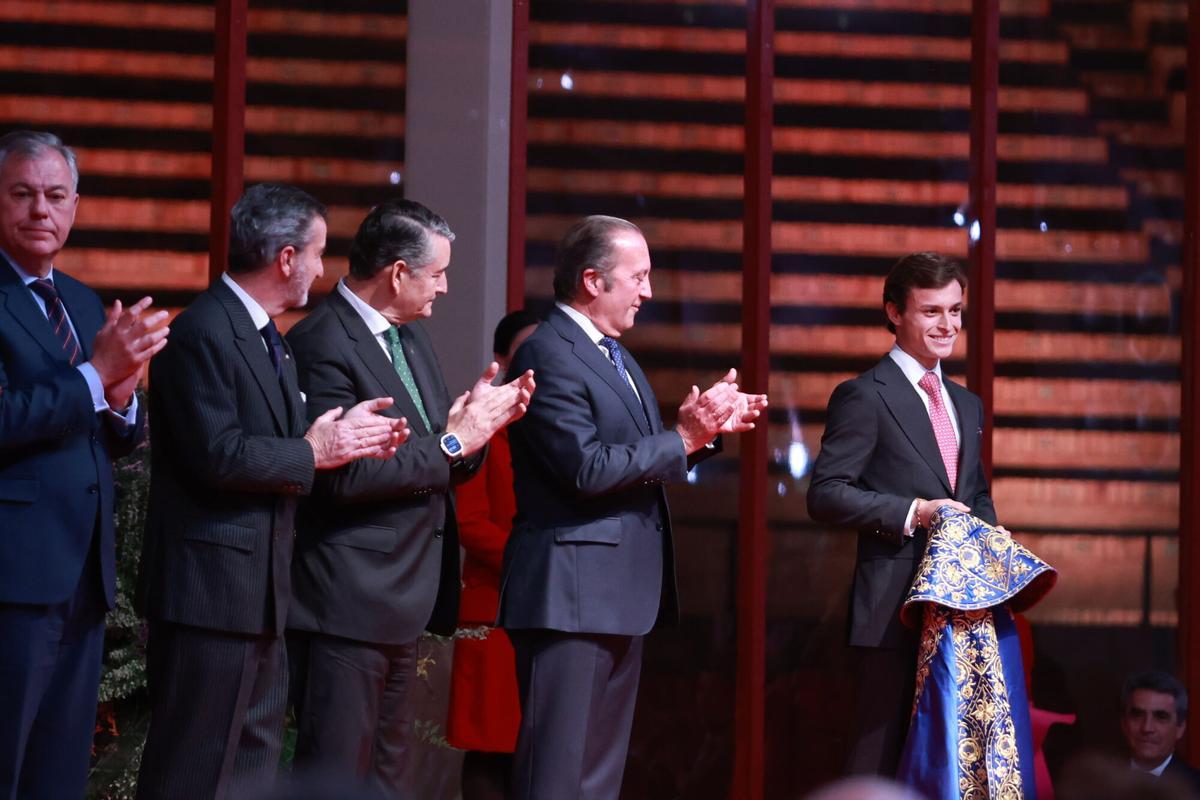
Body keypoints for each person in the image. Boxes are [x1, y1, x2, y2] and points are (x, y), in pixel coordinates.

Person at [135, 183, 408, 800]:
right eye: (316, 253)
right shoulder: (204, 331)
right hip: (207, 595)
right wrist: (314, 450)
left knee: (250, 770)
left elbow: (285, 444)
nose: (320, 268)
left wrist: (339, 435)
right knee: (194, 769)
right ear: (286, 258)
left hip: (262, 595)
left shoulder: (269, 338)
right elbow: (218, 454)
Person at [497, 215, 766, 799]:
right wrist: (685, 439)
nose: (648, 292)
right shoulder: (550, 353)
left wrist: (702, 435)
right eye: (638, 277)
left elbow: (635, 458)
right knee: (557, 777)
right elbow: (586, 469)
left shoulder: (611, 354)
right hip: (569, 597)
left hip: (614, 596)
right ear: (593, 281)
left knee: (595, 780)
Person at [285, 199, 535, 796]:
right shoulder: (322, 342)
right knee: (337, 779)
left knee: (392, 782)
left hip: (408, 597)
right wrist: (455, 442)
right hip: (346, 601)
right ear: (398, 272)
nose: (446, 287)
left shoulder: (412, 339)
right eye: (438, 273)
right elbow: (341, 474)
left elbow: (440, 454)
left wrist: (474, 430)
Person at [0, 129, 167, 798]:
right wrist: (99, 375)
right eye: (22, 194)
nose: (41, 209)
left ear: (74, 206)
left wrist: (123, 400)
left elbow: (109, 433)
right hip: (13, 576)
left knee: (59, 770)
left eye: (56, 195)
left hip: (82, 576)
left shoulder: (82, 299)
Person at [806, 251, 999, 776]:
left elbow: (975, 495)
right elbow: (825, 494)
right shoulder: (863, 396)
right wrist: (914, 511)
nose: (948, 325)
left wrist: (995, 547)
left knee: (947, 764)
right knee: (878, 760)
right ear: (894, 312)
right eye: (932, 311)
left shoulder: (968, 404)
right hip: (892, 613)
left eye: (956, 311)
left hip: (960, 613)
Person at [446, 309, 541, 800]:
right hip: (495, 607)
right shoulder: (485, 424)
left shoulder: (566, 422)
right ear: (502, 360)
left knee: (544, 752)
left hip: (554, 609)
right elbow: (468, 521)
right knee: (490, 749)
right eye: (526, 349)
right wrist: (537, 559)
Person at [1120, 670, 1200, 790]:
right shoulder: (1098, 785)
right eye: (1137, 715)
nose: (1147, 728)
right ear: (1124, 723)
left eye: (1161, 717)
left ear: (1180, 728)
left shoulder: (1195, 788)